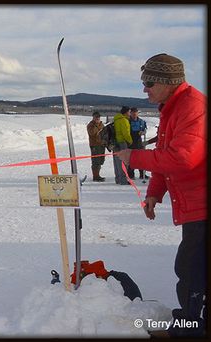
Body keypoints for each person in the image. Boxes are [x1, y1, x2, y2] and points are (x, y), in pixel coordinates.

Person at [119, 53, 206, 338]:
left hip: (203, 203)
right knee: (194, 265)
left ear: (169, 82)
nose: (144, 89)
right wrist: (155, 192)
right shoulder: (172, 107)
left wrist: (133, 156)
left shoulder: (193, 107)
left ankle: (190, 327)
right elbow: (164, 155)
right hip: (196, 202)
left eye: (149, 82)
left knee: (192, 268)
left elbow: (182, 159)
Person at [112, 106, 132, 185]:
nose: (130, 114)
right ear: (126, 112)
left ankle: (118, 179)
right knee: (123, 161)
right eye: (129, 112)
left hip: (114, 143)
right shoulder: (124, 120)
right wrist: (130, 141)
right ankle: (123, 180)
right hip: (122, 143)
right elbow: (126, 133)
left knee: (116, 162)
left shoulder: (116, 120)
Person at [128, 107, 147, 179]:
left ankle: (142, 173)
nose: (134, 114)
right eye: (133, 112)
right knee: (131, 159)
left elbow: (144, 129)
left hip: (139, 142)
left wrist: (143, 132)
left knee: (141, 158)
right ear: (130, 113)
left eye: (135, 112)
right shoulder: (128, 121)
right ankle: (131, 174)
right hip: (131, 142)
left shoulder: (141, 121)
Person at [86, 111, 106, 182]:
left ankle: (98, 174)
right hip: (94, 145)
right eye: (96, 117)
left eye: (98, 117)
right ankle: (96, 176)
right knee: (95, 161)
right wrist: (96, 125)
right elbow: (92, 133)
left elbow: (104, 133)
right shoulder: (90, 125)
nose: (97, 118)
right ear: (93, 117)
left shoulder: (101, 124)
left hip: (101, 145)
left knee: (101, 160)